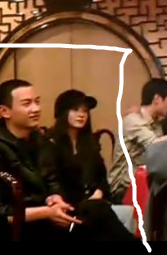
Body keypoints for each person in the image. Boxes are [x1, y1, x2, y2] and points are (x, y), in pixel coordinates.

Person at [0, 79, 81, 240]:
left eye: (37, 102)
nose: (36, 109)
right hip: (11, 230)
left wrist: (55, 198)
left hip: (44, 220)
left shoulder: (40, 140)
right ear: (5, 111)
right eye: (27, 104)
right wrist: (46, 212)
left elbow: (53, 180)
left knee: (97, 212)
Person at [49, 89, 137, 240]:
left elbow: (102, 179)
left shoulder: (90, 144)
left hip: (93, 206)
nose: (81, 115)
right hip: (67, 208)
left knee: (99, 212)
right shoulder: (51, 144)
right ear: (63, 112)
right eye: (75, 110)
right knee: (101, 216)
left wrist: (98, 193)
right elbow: (52, 182)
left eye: (85, 111)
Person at [109, 78, 167, 203]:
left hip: (144, 183)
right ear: (156, 99)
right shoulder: (133, 120)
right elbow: (154, 145)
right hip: (124, 188)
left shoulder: (156, 123)